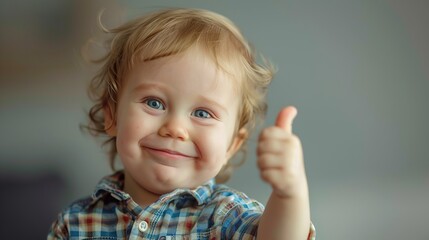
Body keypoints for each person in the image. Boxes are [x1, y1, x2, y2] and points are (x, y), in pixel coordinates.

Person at [48, 8, 315, 240]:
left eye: (202, 113)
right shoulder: (76, 222)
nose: (175, 128)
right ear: (112, 116)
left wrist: (290, 193)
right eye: (154, 103)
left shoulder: (225, 216)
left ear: (232, 144)